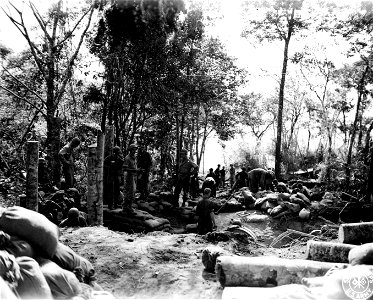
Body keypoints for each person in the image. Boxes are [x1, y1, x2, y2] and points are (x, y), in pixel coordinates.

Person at [122, 144, 142, 215]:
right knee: (129, 192)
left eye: (135, 149)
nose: (135, 151)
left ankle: (128, 207)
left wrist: (137, 171)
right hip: (129, 177)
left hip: (133, 176)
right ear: (130, 150)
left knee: (133, 192)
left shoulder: (134, 157)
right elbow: (124, 168)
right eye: (133, 149)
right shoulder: (127, 158)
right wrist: (135, 170)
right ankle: (126, 207)